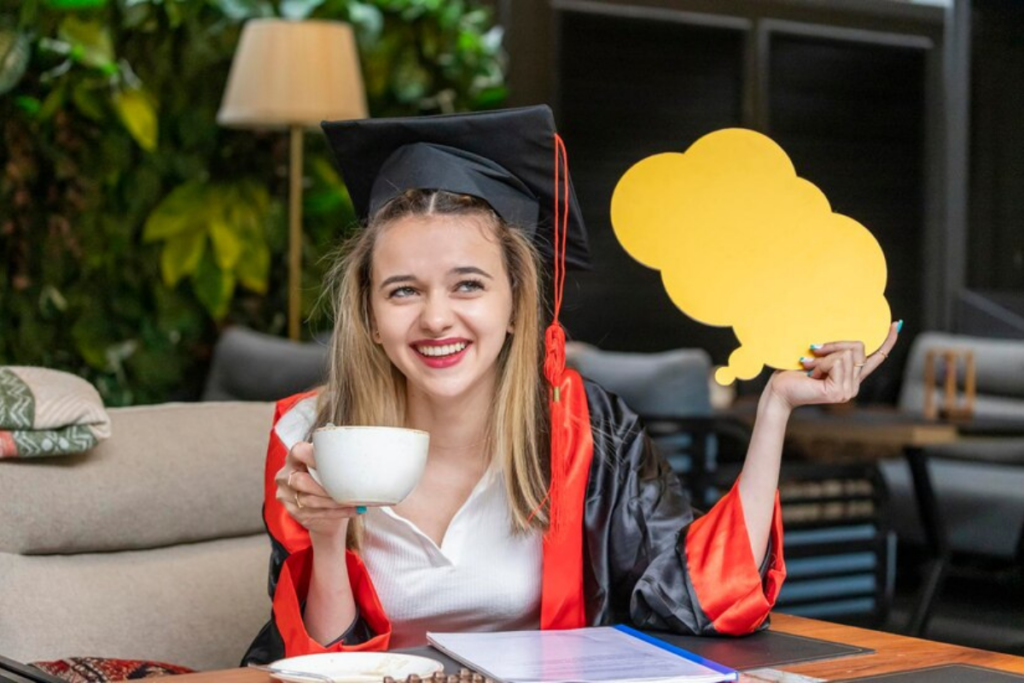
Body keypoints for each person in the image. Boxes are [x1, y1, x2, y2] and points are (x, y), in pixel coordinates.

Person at [242, 106, 899, 663]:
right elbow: (313, 668)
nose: (436, 316)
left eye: (468, 284)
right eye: (403, 291)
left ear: (515, 304)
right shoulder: (312, 437)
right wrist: (326, 539)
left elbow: (696, 591)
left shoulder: (584, 430)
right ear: (370, 316)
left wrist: (776, 408)